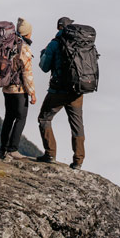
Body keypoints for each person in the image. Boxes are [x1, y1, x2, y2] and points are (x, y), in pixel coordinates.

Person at [35, 16, 86, 169]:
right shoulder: (82, 43)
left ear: (58, 28)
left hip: (58, 91)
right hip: (77, 90)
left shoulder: (55, 44)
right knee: (77, 124)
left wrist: (43, 54)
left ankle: (50, 154)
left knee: (44, 118)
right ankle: (78, 160)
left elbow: (44, 67)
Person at [0, 18, 36, 160]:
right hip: (19, 89)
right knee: (21, 118)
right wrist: (32, 93)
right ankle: (13, 149)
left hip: (6, 87)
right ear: (27, 34)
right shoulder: (23, 48)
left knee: (9, 117)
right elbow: (27, 73)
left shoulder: (8, 44)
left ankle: (3, 149)